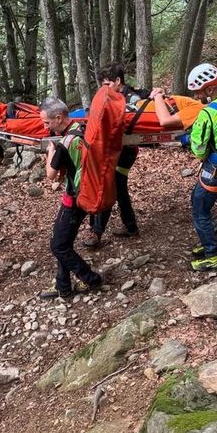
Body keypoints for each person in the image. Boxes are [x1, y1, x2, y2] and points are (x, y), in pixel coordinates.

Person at [40, 96, 102, 300]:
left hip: (75, 199)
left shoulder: (65, 143)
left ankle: (91, 278)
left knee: (58, 245)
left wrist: (50, 152)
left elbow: (51, 174)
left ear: (58, 118)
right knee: (62, 240)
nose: (45, 127)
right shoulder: (81, 129)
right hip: (86, 191)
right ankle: (63, 285)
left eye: (47, 123)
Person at [85, 62, 149, 248]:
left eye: (107, 84)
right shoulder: (111, 98)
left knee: (110, 184)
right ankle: (131, 226)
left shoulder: (131, 98)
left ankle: (96, 232)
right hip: (114, 149)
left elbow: (131, 119)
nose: (104, 88)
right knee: (118, 188)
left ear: (118, 81)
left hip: (126, 152)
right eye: (102, 85)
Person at [187, 62, 217, 272]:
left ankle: (211, 255)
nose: (197, 96)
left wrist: (190, 139)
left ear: (208, 89)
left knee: (200, 209)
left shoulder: (207, 114)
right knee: (203, 202)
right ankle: (213, 236)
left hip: (215, 169)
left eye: (198, 92)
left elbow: (198, 149)